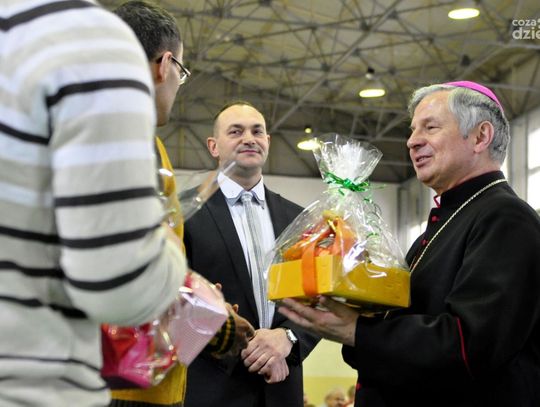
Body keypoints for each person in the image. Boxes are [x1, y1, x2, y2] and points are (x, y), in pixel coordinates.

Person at [278, 81, 540, 407]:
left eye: (430, 127)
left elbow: (470, 345)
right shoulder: (444, 224)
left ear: (480, 136)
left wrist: (358, 331)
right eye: (413, 130)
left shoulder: (506, 218)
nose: (412, 141)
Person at [0, 1, 189, 406]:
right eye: (182, 71)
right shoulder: (89, 44)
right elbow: (117, 285)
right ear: (165, 64)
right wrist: (170, 260)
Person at [111, 2, 254, 407]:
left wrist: (197, 294)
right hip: (125, 384)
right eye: (181, 71)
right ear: (164, 65)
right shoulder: (128, 140)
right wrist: (218, 323)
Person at [183, 101, 320, 406]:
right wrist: (238, 345)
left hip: (282, 387)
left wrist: (289, 338)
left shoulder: (299, 220)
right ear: (213, 146)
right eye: (236, 131)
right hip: (211, 389)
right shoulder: (184, 214)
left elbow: (318, 297)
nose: (249, 138)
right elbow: (171, 303)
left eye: (257, 131)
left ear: (267, 141)